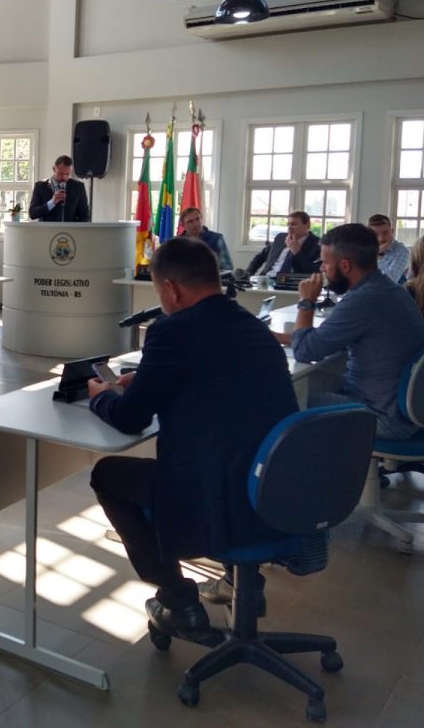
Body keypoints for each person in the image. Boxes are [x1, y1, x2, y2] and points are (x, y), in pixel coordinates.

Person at [87, 236, 298, 636]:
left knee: (108, 475)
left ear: (170, 289)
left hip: (215, 492)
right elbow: (214, 378)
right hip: (273, 486)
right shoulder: (252, 327)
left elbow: (131, 419)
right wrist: (148, 378)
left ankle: (178, 600)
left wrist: (101, 396)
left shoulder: (171, 331)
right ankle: (242, 582)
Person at [277, 223, 424, 440]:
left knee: (285, 396)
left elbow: (304, 351)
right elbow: (324, 339)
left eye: (325, 263)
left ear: (345, 266)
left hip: (380, 416)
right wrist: (278, 337)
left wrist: (306, 302)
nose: (322, 270)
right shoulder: (388, 289)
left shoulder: (363, 299)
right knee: (306, 381)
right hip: (404, 408)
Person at [247, 211, 320, 277]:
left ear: (307, 225)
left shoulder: (317, 244)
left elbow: (313, 271)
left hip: (290, 283)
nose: (289, 227)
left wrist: (296, 252)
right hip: (266, 279)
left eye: (293, 224)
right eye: (288, 224)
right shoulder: (280, 237)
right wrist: (247, 274)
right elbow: (260, 257)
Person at [27, 155, 90, 222]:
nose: (64, 177)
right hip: (47, 228)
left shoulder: (78, 187)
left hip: (70, 228)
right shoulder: (40, 187)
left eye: (67, 174)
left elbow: (84, 216)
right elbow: (32, 214)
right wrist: (52, 202)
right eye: (60, 173)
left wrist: (73, 228)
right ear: (54, 169)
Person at [368, 213, 409, 284]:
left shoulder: (402, 251)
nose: (380, 238)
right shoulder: (362, 248)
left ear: (392, 232)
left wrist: (378, 254)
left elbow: (390, 281)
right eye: (375, 234)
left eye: (385, 233)